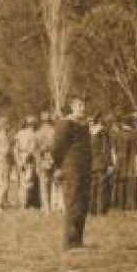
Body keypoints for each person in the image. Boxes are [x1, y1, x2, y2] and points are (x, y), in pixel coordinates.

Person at [50, 99, 93, 249]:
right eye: (79, 105)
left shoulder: (84, 125)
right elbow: (56, 148)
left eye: (83, 105)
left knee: (83, 205)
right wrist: (59, 166)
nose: (83, 108)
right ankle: (69, 242)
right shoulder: (65, 124)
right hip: (71, 170)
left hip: (85, 170)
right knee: (72, 204)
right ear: (71, 108)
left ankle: (78, 241)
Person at [87, 112, 112, 216]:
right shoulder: (102, 132)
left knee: (92, 187)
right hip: (101, 162)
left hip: (91, 163)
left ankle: (92, 210)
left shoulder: (88, 133)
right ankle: (101, 210)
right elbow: (106, 148)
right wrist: (109, 162)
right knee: (102, 187)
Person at [33, 111, 58, 212]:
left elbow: (35, 150)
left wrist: (37, 161)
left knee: (43, 184)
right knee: (52, 183)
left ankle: (46, 207)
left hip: (42, 160)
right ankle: (52, 206)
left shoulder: (37, 133)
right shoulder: (54, 132)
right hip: (53, 160)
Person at [13, 115, 38, 209]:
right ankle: (25, 203)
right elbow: (31, 150)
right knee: (28, 181)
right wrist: (24, 160)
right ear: (32, 125)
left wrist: (18, 160)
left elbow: (15, 149)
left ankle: (22, 202)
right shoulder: (33, 134)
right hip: (28, 159)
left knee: (21, 181)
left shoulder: (19, 133)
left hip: (20, 157)